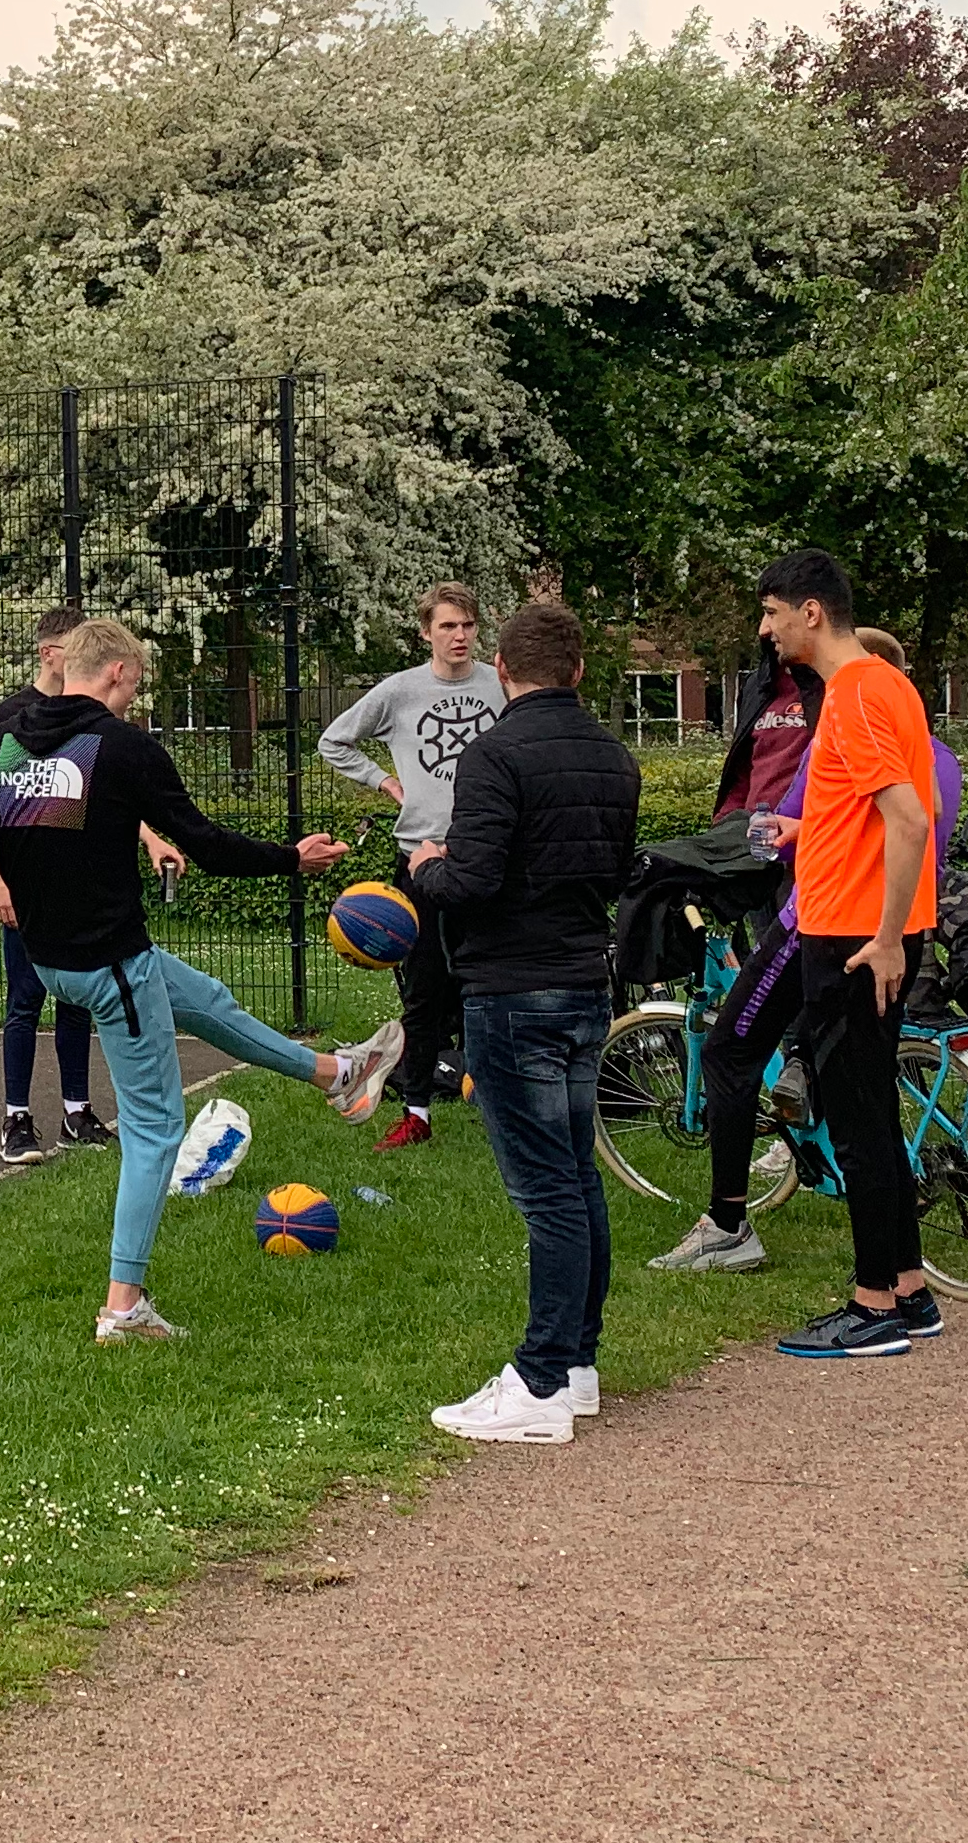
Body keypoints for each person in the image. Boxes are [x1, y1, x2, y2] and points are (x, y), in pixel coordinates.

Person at [0, 617, 359, 1343]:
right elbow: (203, 844)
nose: (136, 697)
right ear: (114, 673)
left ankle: (336, 1075)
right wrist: (291, 859)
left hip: (53, 964)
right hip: (110, 967)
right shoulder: (124, 747)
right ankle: (123, 1305)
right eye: (136, 683)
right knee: (155, 1132)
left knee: (205, 1002)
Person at [405, 601, 641, 1442]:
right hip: (585, 983)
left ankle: (540, 1381)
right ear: (579, 671)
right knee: (576, 1178)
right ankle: (576, 1364)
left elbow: (471, 881)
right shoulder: (615, 757)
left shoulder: (494, 754)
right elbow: (616, 871)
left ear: (502, 670)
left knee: (547, 1190)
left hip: (511, 993)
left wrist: (427, 869)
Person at [752, 552, 949, 1359]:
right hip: (864, 924)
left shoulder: (860, 692)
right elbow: (899, 807)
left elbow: (909, 819)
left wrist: (889, 936)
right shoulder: (887, 686)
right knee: (872, 1111)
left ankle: (872, 1308)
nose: (763, 630)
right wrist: (817, 832)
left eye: (770, 612)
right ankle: (910, 1288)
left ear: (809, 613)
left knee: (859, 1120)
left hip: (854, 936)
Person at [649, 629, 824, 1274]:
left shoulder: (833, 693)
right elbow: (747, 760)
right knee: (780, 994)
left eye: (773, 613)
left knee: (733, 1044)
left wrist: (794, 832)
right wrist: (727, 827)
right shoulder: (765, 685)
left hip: (805, 871)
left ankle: (729, 1224)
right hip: (754, 846)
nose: (763, 630)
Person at [0, 606, 181, 1164]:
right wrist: (2, 879)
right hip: (28, 885)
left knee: (75, 1002)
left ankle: (77, 1110)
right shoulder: (15, 718)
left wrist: (146, 836)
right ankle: (16, 1118)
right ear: (54, 655)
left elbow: (92, 794)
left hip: (77, 893)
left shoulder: (91, 724)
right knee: (25, 998)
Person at [316, 583, 506, 1150]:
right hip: (419, 859)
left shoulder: (500, 685)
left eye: (468, 625)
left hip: (486, 857)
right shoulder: (400, 691)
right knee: (424, 992)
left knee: (492, 986)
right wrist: (385, 782)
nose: (459, 636)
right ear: (426, 632)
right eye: (447, 626)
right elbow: (334, 741)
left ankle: (500, 1102)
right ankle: (417, 1111)